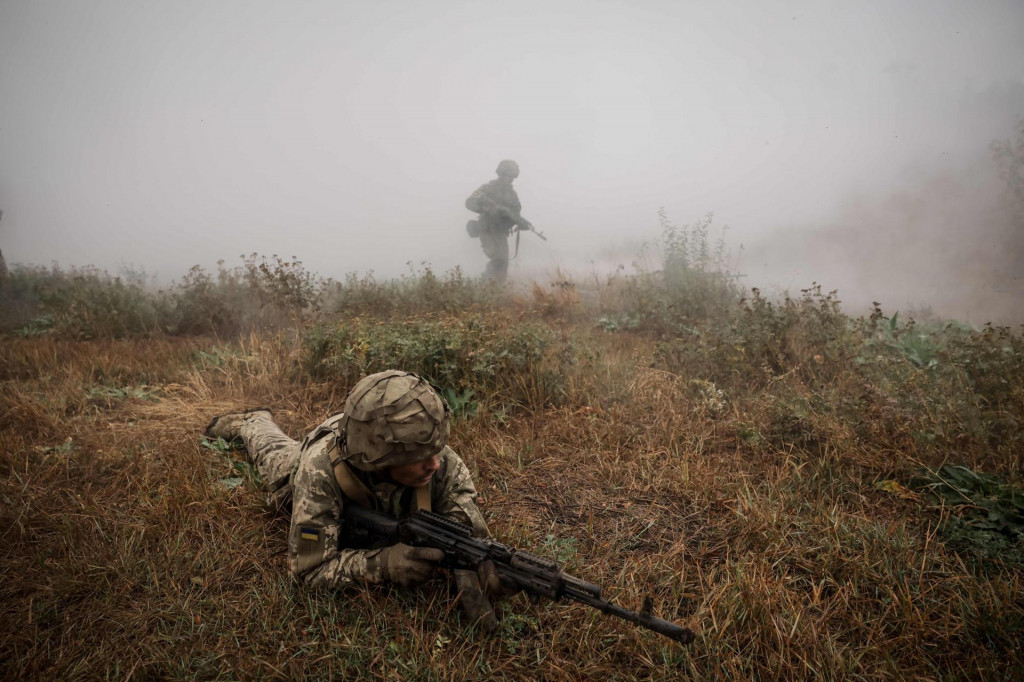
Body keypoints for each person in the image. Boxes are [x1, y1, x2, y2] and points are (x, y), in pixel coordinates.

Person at [204, 370, 513, 630]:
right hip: (304, 461)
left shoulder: (441, 461)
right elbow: (308, 571)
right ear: (379, 460)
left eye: (436, 451)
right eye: (418, 458)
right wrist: (384, 564)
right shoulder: (319, 472)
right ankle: (253, 421)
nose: (433, 464)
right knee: (272, 452)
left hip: (364, 435)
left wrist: (480, 566)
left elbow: (467, 531)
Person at [465, 159, 523, 282]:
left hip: (500, 233)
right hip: (486, 230)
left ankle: (497, 291)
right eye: (506, 175)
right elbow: (469, 202)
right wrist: (488, 209)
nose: (509, 179)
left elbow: (516, 212)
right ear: (500, 174)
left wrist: (519, 222)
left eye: (511, 176)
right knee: (498, 260)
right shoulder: (487, 188)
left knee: (504, 263)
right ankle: (484, 287)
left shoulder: (512, 194)